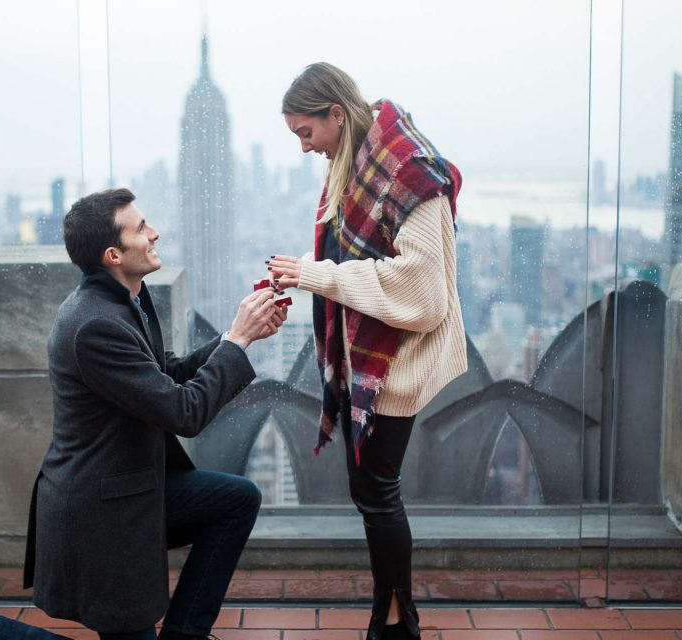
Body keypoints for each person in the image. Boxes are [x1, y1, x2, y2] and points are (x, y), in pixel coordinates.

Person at [0, 188, 287, 640]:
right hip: (100, 513)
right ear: (113, 254)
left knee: (235, 499)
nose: (155, 233)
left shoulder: (123, 301)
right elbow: (184, 411)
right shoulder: (94, 325)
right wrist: (237, 345)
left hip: (131, 485)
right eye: (141, 229)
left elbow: (164, 374)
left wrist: (237, 335)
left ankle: (185, 633)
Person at [265, 62, 468, 640]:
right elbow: (348, 250)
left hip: (394, 363)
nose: (305, 149)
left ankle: (399, 621)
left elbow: (425, 295)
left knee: (377, 491)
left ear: (336, 113)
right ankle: (393, 611)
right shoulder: (356, 159)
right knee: (371, 489)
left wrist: (315, 276)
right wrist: (303, 276)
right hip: (367, 361)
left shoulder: (407, 170)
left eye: (306, 133)